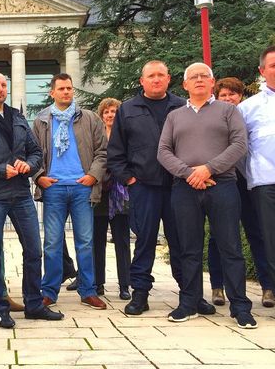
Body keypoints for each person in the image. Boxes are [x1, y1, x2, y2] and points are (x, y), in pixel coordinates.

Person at [108, 60, 214, 316]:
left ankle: (191, 296)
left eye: (161, 75)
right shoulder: (128, 109)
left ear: (169, 79)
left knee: (182, 242)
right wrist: (129, 180)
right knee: (144, 241)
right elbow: (115, 152)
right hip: (143, 187)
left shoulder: (182, 106)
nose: (156, 79)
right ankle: (140, 295)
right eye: (151, 76)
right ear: (142, 81)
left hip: (180, 186)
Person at [0, 71, 63, 328]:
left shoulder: (17, 118)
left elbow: (36, 152)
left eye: (3, 84)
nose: (0, 88)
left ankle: (34, 304)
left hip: (21, 193)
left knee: (34, 250)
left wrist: (28, 164)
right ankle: (0, 308)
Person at [157, 62, 256, 328]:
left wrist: (209, 169)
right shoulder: (175, 116)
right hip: (185, 188)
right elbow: (163, 151)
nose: (199, 80)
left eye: (205, 76)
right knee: (189, 248)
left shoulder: (227, 111)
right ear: (185, 85)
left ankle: (240, 307)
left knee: (230, 247)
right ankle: (188, 302)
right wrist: (189, 173)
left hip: (222, 185)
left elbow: (239, 144)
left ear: (212, 83)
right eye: (193, 77)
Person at [32, 73, 107, 309]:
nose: (66, 92)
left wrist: (93, 176)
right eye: (61, 88)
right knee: (52, 243)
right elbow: (32, 153)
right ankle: (49, 292)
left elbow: (102, 152)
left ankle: (88, 290)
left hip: (82, 188)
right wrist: (39, 177)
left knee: (85, 242)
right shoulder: (42, 121)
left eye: (69, 88)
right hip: (54, 188)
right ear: (52, 92)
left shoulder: (90, 118)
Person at [207, 77, 274, 307]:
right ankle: (218, 286)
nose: (228, 99)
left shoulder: (246, 115)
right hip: (224, 182)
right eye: (223, 95)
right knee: (219, 235)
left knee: (258, 232)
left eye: (232, 95)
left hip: (249, 182)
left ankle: (268, 287)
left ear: (240, 97)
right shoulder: (214, 120)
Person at [238, 45, 275, 305]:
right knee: (269, 239)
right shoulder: (248, 108)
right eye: (273, 66)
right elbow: (240, 149)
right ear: (262, 71)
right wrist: (253, 172)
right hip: (265, 182)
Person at [93, 98, 131, 300]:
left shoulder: (126, 135)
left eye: (114, 111)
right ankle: (97, 283)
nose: (110, 115)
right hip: (99, 191)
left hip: (120, 192)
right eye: (106, 111)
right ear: (101, 115)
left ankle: (125, 284)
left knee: (122, 240)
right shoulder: (97, 135)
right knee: (97, 240)